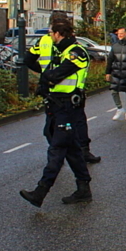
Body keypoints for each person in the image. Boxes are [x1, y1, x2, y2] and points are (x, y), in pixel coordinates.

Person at [19, 19, 93, 206]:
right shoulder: (59, 53)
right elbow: (49, 74)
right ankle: (83, 188)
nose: (50, 36)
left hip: (68, 107)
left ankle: (40, 191)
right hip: (56, 105)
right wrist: (48, 78)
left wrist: (47, 78)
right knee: (72, 148)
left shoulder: (77, 52)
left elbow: (56, 75)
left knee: (58, 148)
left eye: (52, 33)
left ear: (59, 34)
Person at [29, 12, 100, 164]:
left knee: (57, 127)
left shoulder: (50, 43)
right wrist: (49, 75)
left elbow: (28, 59)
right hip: (61, 91)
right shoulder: (62, 45)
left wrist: (44, 73)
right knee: (72, 125)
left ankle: (62, 157)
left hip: (61, 91)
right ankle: (78, 153)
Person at [106, 26, 126, 121]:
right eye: (118, 34)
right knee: (114, 91)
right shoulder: (115, 46)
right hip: (116, 73)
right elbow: (110, 60)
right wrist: (107, 72)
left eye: (121, 33)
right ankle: (119, 108)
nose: (119, 35)